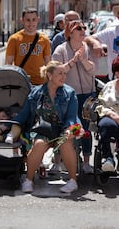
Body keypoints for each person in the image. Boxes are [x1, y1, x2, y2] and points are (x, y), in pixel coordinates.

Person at [7, 60, 80, 193]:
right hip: (42, 129)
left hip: (62, 129)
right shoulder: (36, 92)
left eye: (65, 73)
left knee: (66, 143)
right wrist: (6, 125)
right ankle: (28, 180)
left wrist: (69, 130)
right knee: (39, 144)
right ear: (50, 75)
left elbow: (71, 117)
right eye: (60, 73)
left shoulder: (70, 93)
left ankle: (72, 180)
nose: (64, 77)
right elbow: (24, 114)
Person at [52, 20, 97, 174]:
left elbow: (92, 70)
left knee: (86, 128)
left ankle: (86, 162)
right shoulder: (60, 50)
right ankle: (57, 162)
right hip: (67, 96)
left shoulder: (86, 48)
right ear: (70, 32)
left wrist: (83, 59)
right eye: (79, 28)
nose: (83, 30)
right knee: (64, 127)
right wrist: (73, 61)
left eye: (84, 28)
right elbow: (57, 72)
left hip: (87, 94)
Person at [5, 7, 51, 85]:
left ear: (38, 20)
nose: (31, 23)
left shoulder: (44, 39)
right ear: (22, 20)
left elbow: (48, 63)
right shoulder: (14, 39)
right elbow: (8, 64)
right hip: (21, 82)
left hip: (40, 83)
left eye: (34, 20)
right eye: (28, 20)